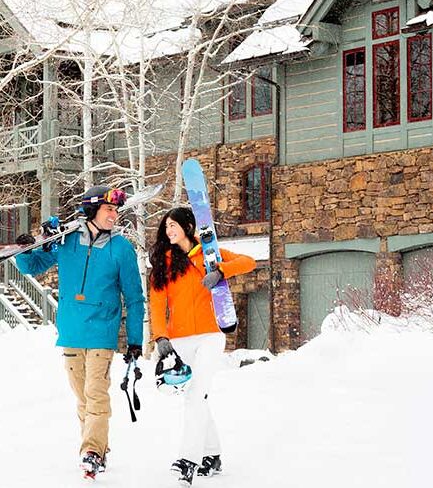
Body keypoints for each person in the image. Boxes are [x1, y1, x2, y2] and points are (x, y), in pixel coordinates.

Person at [15, 186, 144, 479]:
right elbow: (31, 267)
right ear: (92, 211)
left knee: (96, 395)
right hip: (72, 331)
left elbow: (135, 298)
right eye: (109, 210)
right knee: (83, 399)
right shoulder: (67, 240)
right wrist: (29, 246)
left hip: (102, 332)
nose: (114, 215)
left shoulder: (121, 248)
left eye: (116, 210)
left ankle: (91, 452)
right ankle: (99, 448)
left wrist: (135, 341)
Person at [148, 207, 255, 486]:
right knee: (195, 397)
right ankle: (212, 454)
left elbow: (249, 261)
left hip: (210, 334)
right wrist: (160, 338)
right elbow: (157, 305)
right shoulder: (163, 262)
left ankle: (187, 460)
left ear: (188, 226)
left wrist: (221, 272)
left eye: (174, 225)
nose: (169, 230)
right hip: (179, 338)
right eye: (166, 226)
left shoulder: (208, 254)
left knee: (196, 395)